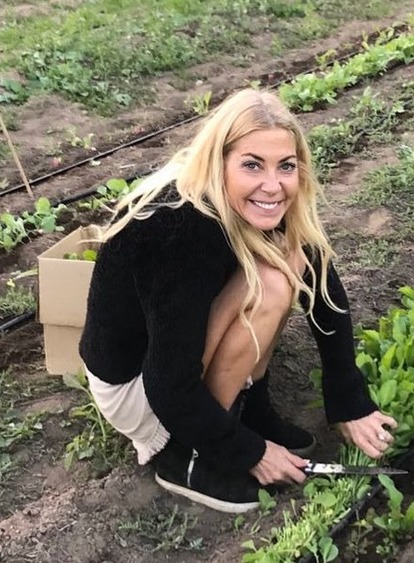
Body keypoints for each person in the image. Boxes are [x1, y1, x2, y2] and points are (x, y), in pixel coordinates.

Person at [78, 89, 397, 514]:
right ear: (219, 161)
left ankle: (247, 408)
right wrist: (248, 452)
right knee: (266, 285)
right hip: (137, 388)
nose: (273, 185)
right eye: (252, 165)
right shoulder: (175, 230)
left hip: (173, 364)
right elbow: (167, 385)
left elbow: (321, 283)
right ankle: (186, 459)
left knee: (288, 262)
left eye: (286, 166)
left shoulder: (248, 202)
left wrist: (348, 399)